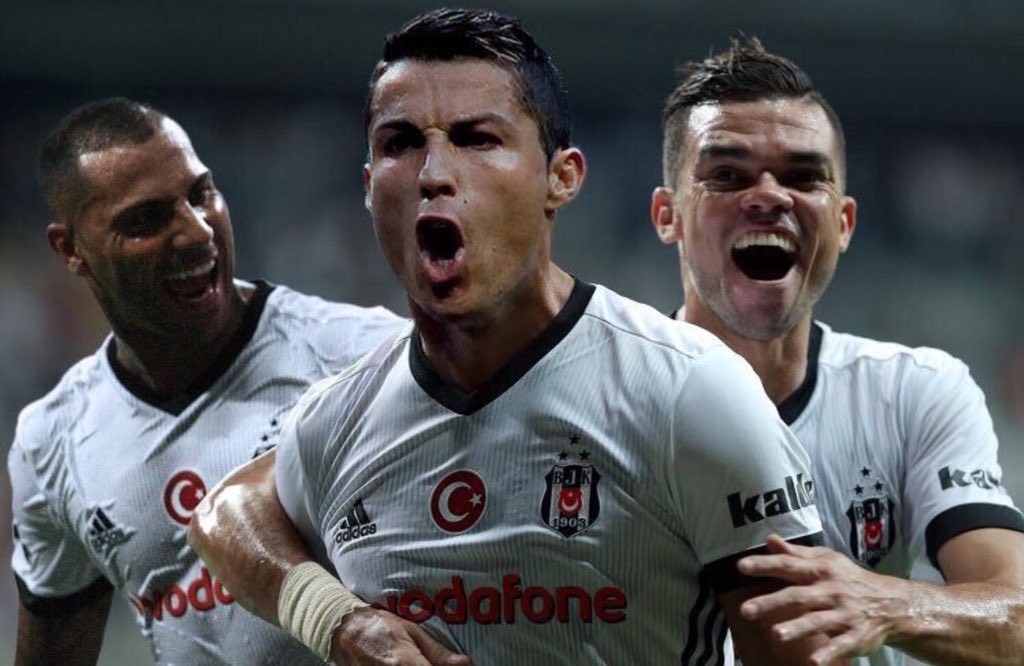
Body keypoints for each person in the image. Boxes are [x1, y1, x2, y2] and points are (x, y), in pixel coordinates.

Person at [188, 9, 838, 666]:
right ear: (368, 186)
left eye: (477, 139)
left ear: (561, 177)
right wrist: (339, 623)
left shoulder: (689, 390)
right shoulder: (333, 423)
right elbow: (226, 514)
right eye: (400, 143)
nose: (434, 173)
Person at [649, 38, 1024, 665]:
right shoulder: (595, 403)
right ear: (668, 216)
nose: (770, 196)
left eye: (804, 176)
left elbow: (1016, 615)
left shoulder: (915, 393)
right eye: (728, 175)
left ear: (844, 223)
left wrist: (885, 602)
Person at [7, 98, 410, 665]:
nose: (197, 232)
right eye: (146, 220)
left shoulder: (365, 356)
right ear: (71, 249)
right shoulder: (52, 440)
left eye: (201, 195)